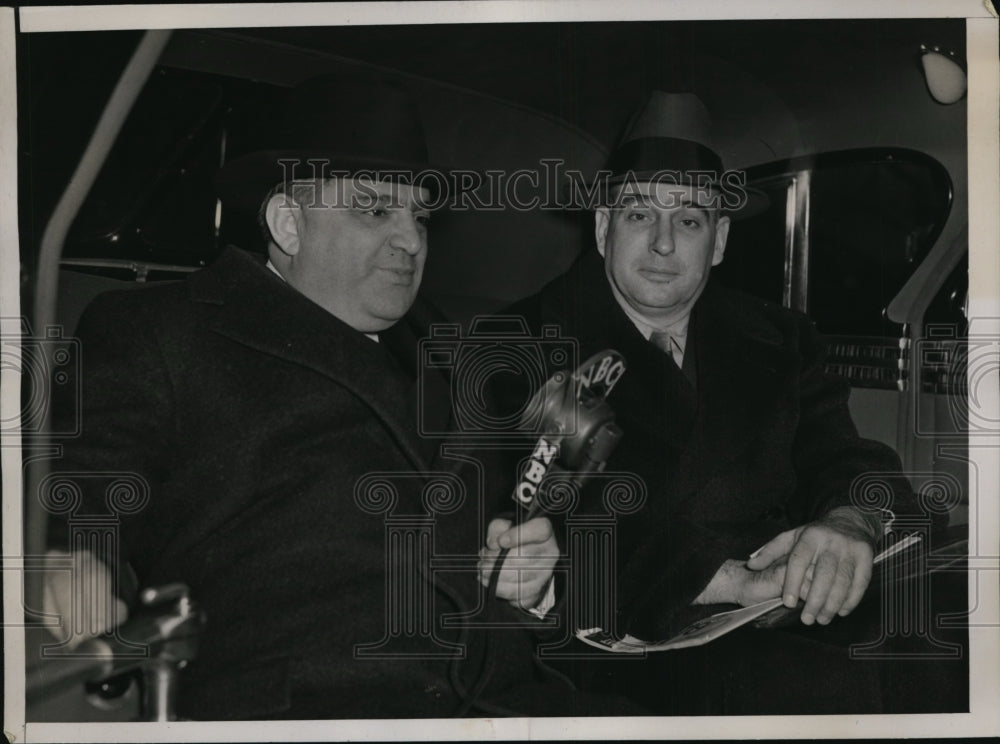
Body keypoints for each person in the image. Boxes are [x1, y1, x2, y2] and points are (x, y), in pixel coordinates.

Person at [42, 76, 627, 720]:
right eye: (376, 210)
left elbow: (501, 549)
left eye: (420, 216)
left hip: (511, 701)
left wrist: (527, 586)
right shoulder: (162, 328)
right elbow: (78, 484)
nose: (411, 239)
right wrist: (70, 557)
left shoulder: (461, 365)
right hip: (313, 705)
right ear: (289, 224)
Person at [480, 92, 928, 713]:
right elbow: (549, 528)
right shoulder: (518, 347)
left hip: (787, 617)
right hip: (624, 648)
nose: (665, 245)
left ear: (717, 241)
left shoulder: (783, 338)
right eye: (641, 215)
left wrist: (848, 521)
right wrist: (733, 579)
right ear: (605, 227)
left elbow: (844, 456)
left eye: (689, 220)